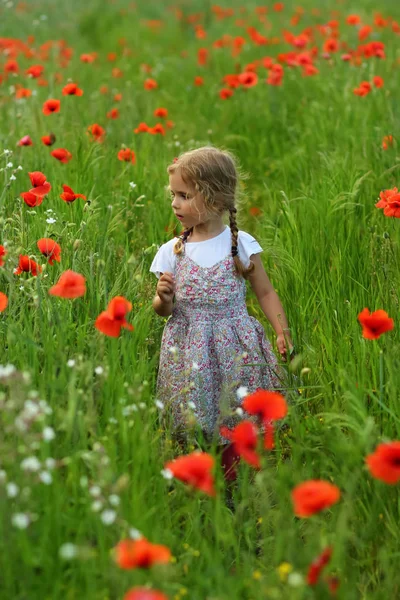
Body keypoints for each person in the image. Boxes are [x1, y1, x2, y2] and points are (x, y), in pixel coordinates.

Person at [149, 146, 294, 493]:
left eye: (185, 196)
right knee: (193, 411)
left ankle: (235, 480)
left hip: (235, 346)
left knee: (235, 411)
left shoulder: (239, 243)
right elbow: (162, 311)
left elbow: (265, 293)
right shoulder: (172, 250)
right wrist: (163, 298)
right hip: (189, 350)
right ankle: (195, 476)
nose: (175, 204)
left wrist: (282, 331)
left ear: (214, 199)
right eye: (174, 195)